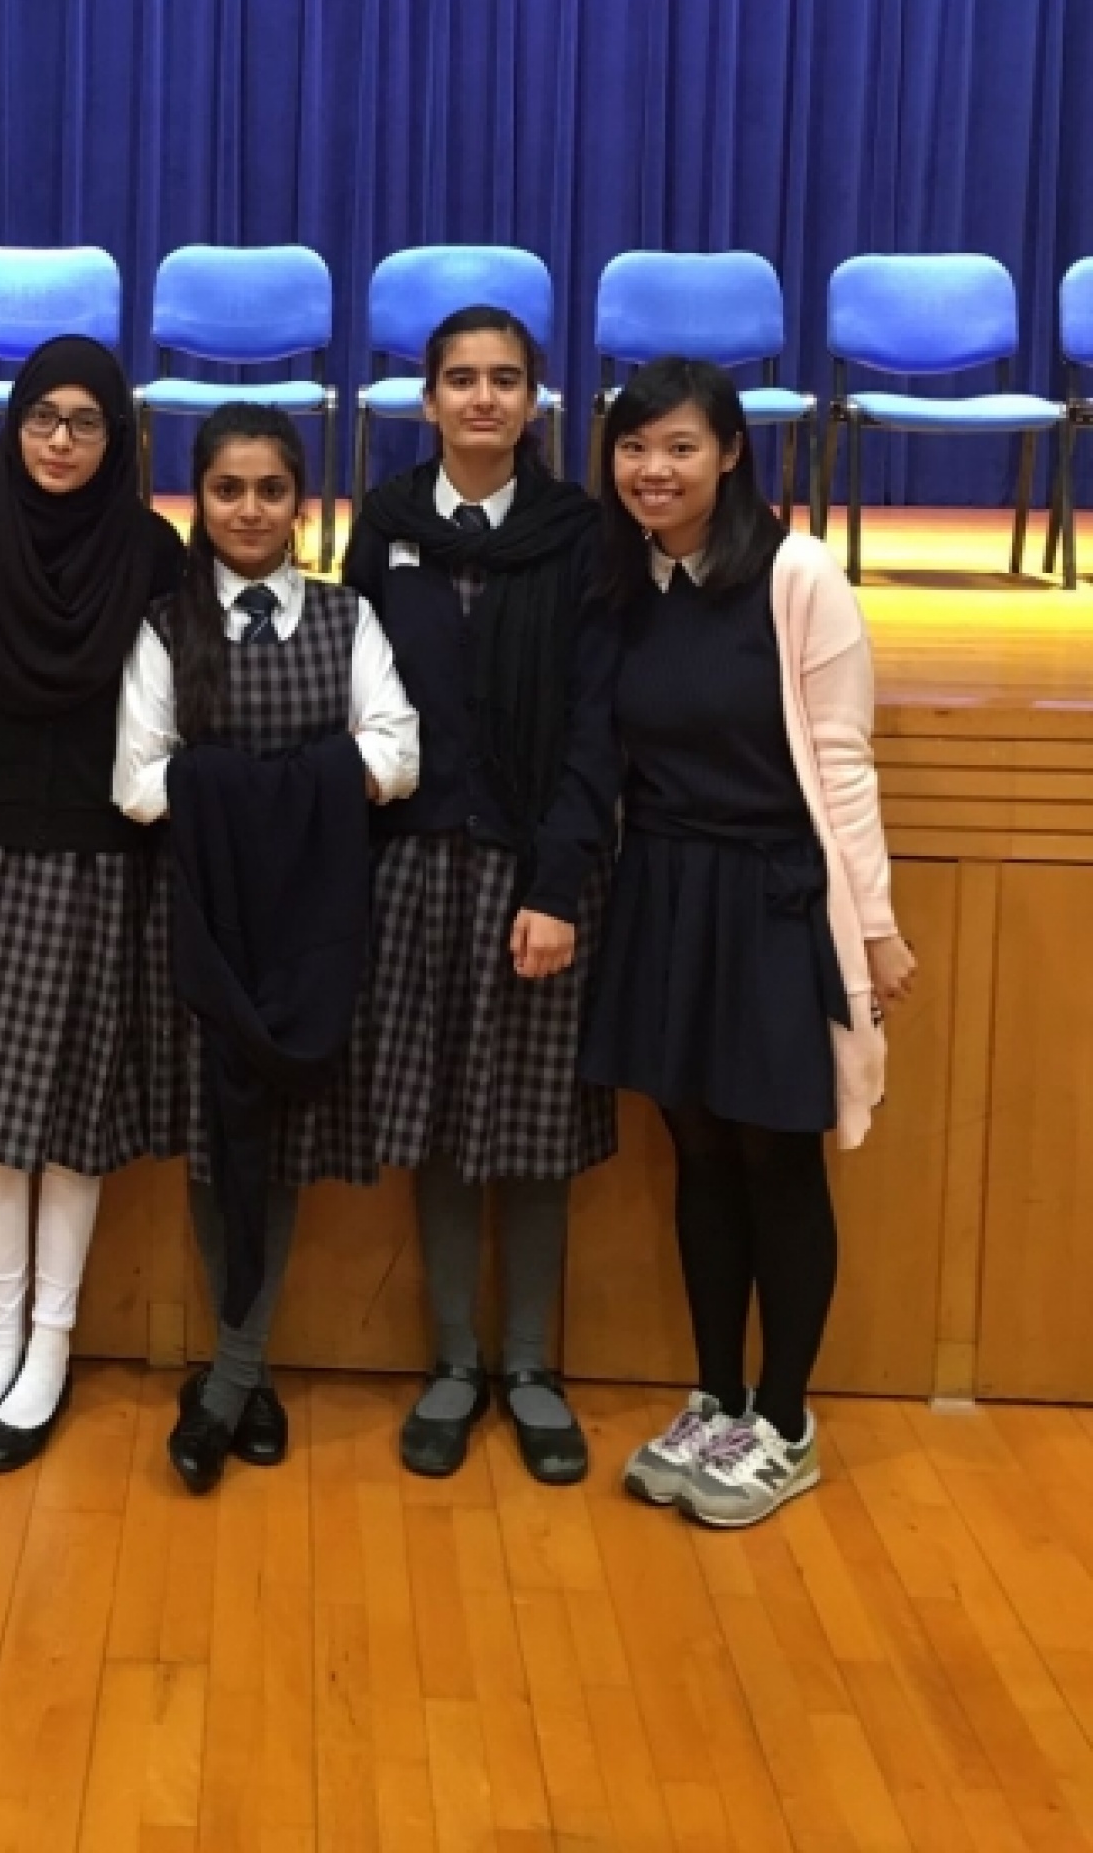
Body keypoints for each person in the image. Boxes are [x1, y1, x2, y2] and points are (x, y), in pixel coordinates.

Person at [584, 357, 915, 1528]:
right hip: (664, 889)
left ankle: (784, 1419)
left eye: (680, 446)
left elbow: (843, 764)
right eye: (635, 447)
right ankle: (716, 1395)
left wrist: (873, 925)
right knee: (700, 1149)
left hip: (772, 897)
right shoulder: (626, 578)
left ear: (730, 452)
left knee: (778, 1155)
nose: (654, 469)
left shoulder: (797, 574)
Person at [115, 401, 419, 1494]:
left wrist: (229, 786)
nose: (250, 510)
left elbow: (399, 754)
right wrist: (308, 779)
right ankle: (243, 1374)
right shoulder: (166, 627)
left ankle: (231, 1380)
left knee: (279, 1136)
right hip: (201, 919)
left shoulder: (348, 618)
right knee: (219, 1134)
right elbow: (135, 783)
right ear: (198, 500)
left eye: (271, 490)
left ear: (303, 502)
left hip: (317, 917)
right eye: (228, 490)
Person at [343, 306, 620, 1486]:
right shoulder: (387, 524)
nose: (483, 398)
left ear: (536, 402)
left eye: (506, 379)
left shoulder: (578, 534)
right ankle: (455, 1361)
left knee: (534, 1130)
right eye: (461, 379)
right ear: (428, 401)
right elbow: (353, 693)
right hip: (413, 862)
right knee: (443, 1120)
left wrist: (556, 884)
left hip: (535, 868)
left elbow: (596, 723)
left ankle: (532, 1366)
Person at [0, 337, 186, 1471]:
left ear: (117, 436)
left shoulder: (151, 553)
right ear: (14, 423)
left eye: (85, 421)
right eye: (42, 418)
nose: (61, 440)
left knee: (73, 1113)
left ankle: (52, 1346)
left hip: (102, 852)